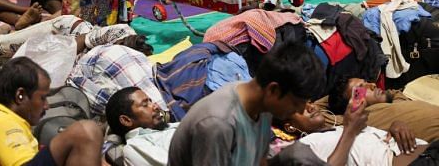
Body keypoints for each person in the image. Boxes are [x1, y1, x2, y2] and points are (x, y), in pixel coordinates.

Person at [166, 41, 326, 166]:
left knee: (301, 155)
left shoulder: (262, 106)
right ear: (273, 90)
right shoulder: (218, 123)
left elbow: (259, 160)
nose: (299, 110)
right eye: (297, 103)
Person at [0, 57, 103, 166]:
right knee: (85, 131)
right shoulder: (1, 123)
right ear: (20, 95)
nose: (47, 106)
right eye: (42, 98)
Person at [270, 101, 427, 166]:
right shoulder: (308, 145)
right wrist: (350, 131)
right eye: (301, 108)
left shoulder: (342, 126)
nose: (311, 107)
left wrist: (397, 125)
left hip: (429, 149)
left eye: (310, 102)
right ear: (290, 127)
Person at [0, 14, 146, 61]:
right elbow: (74, 45)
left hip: (66, 56)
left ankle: (23, 29)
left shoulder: (131, 60)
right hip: (62, 33)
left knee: (6, 64)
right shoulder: (119, 32)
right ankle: (2, 30)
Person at [328, 76, 439, 142]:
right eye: (361, 88)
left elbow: (394, 92)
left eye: (367, 82)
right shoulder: (356, 120)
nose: (373, 84)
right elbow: (317, 114)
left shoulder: (397, 100)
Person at [104, 87, 174, 166]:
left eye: (150, 101)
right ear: (126, 120)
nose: (156, 106)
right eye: (145, 105)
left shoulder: (168, 127)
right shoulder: (135, 146)